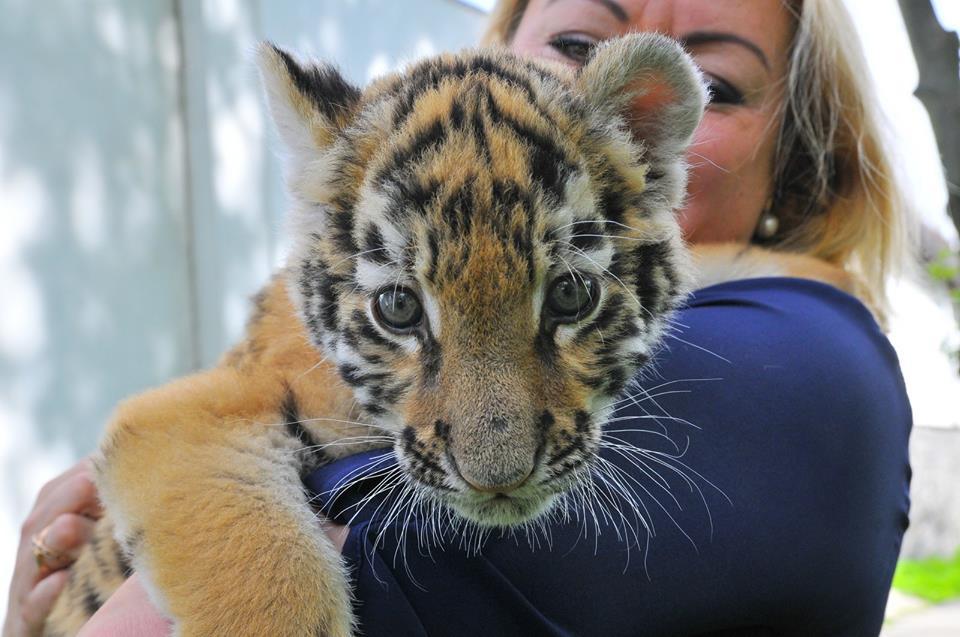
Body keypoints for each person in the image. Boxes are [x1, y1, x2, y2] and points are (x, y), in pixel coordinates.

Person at [4, 0, 912, 635]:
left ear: (802, 164)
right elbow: (173, 442)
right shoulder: (344, 286)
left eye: (713, 78)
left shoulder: (813, 360)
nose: (493, 454)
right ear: (506, 36)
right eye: (576, 42)